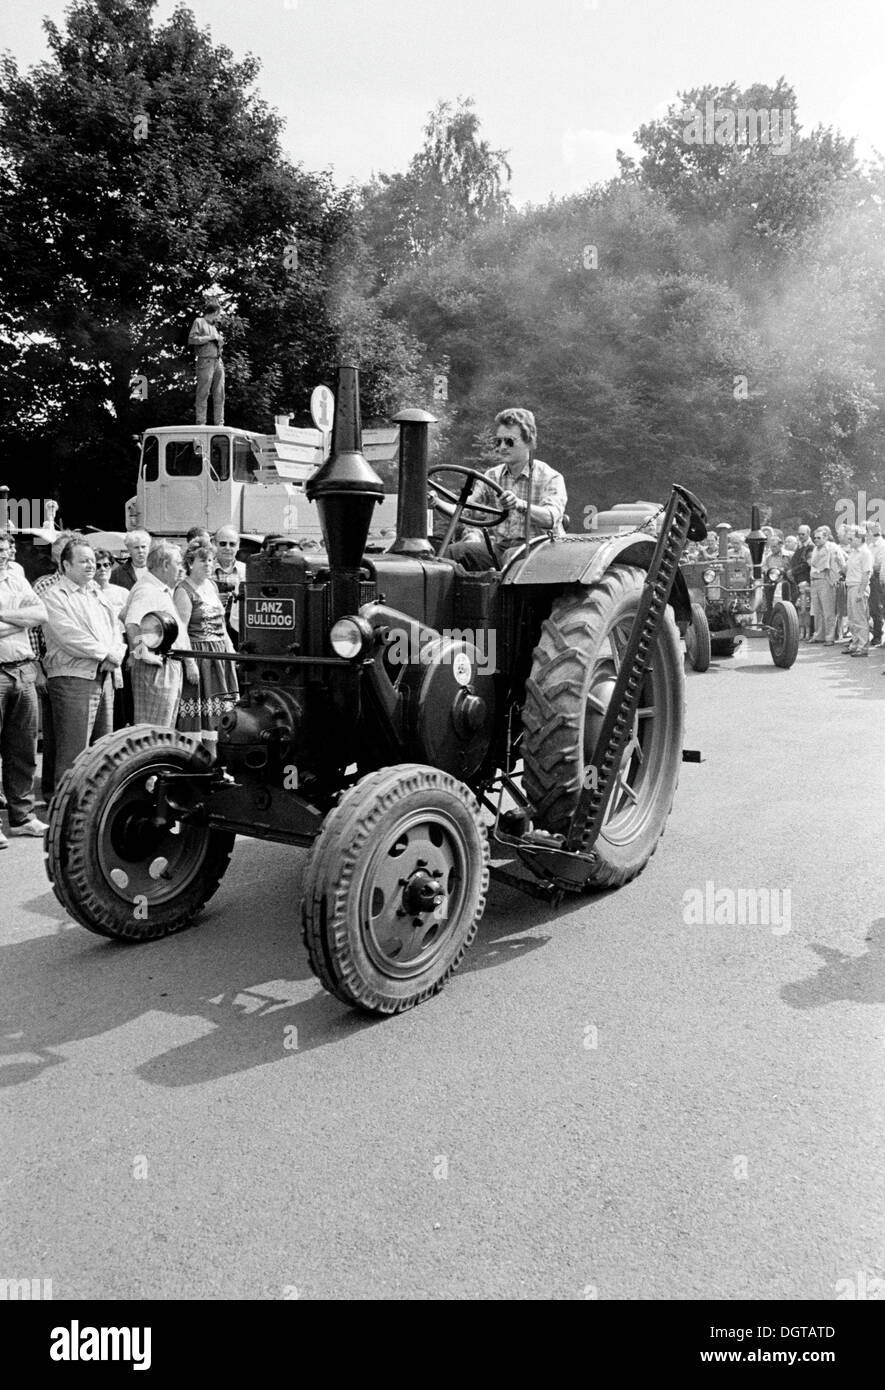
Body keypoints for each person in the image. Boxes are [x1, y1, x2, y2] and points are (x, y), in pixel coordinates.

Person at [432, 409, 567, 571]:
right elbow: (464, 511)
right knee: (452, 553)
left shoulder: (551, 477)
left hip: (541, 551)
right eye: (498, 442)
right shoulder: (492, 476)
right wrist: (436, 502)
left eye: (509, 441)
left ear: (528, 441)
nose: (502, 447)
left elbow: (550, 518)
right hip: (502, 549)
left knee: (511, 559)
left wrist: (519, 504)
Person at [41, 540, 124, 785]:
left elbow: (115, 630)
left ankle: (92, 813)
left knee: (102, 751)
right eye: (84, 561)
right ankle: (65, 813)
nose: (92, 566)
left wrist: (116, 654)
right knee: (73, 755)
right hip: (73, 680)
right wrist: (106, 654)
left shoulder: (97, 593)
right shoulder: (53, 596)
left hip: (103, 677)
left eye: (92, 560)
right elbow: (68, 636)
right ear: (65, 565)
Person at [0, 532, 49, 845]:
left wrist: (4, 616)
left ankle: (22, 817)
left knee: (23, 749)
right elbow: (28, 618)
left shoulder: (15, 574)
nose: (5, 553)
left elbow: (39, 615)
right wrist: (21, 620)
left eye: (6, 548)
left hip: (23, 670)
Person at [173, 542, 239, 753]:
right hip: (200, 654)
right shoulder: (183, 590)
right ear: (190, 563)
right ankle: (198, 762)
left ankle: (218, 761)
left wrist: (230, 650)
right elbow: (181, 630)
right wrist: (190, 662)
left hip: (219, 654)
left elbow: (222, 623)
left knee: (223, 711)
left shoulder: (211, 585)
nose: (208, 564)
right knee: (201, 714)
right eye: (203, 560)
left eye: (210, 560)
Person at [124, 540, 186, 726]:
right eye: (178, 563)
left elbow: (122, 614)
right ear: (166, 565)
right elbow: (131, 622)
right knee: (153, 730)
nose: (181, 568)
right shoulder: (148, 590)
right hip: (156, 667)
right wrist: (141, 653)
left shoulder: (157, 588)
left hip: (165, 665)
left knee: (163, 728)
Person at [188, 294, 225, 426]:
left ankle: (219, 423)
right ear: (214, 312)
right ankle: (201, 422)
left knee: (220, 394)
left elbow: (216, 345)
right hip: (205, 361)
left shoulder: (214, 327)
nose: (219, 317)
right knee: (203, 392)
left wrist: (220, 342)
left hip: (217, 361)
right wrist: (210, 337)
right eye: (218, 314)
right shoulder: (199, 322)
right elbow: (192, 339)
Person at [808, 526, 844, 645]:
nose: (816, 540)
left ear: (826, 537)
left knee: (828, 611)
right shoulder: (815, 548)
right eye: (814, 538)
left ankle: (830, 637)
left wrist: (835, 577)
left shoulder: (832, 547)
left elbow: (842, 562)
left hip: (825, 580)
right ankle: (819, 635)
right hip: (814, 581)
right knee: (817, 611)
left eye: (819, 538)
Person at [212, 525, 246, 643]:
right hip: (212, 632)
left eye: (232, 544)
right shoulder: (205, 570)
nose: (227, 548)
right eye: (223, 544)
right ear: (214, 544)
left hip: (239, 633)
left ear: (238, 546)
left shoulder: (247, 571)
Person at [843, 525, 872, 657]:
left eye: (851, 538)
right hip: (850, 586)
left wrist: (861, 592)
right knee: (852, 618)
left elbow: (866, 574)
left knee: (860, 618)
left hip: (858, 586)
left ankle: (863, 646)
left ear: (860, 538)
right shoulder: (853, 552)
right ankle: (854, 644)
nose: (849, 540)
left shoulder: (865, 553)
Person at [865, 522, 885, 647]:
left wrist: (866, 566)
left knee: (877, 608)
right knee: (871, 608)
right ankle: (874, 633)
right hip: (870, 578)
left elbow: (879, 566)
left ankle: (878, 635)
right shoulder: (870, 546)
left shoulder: (882, 545)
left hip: (877, 579)